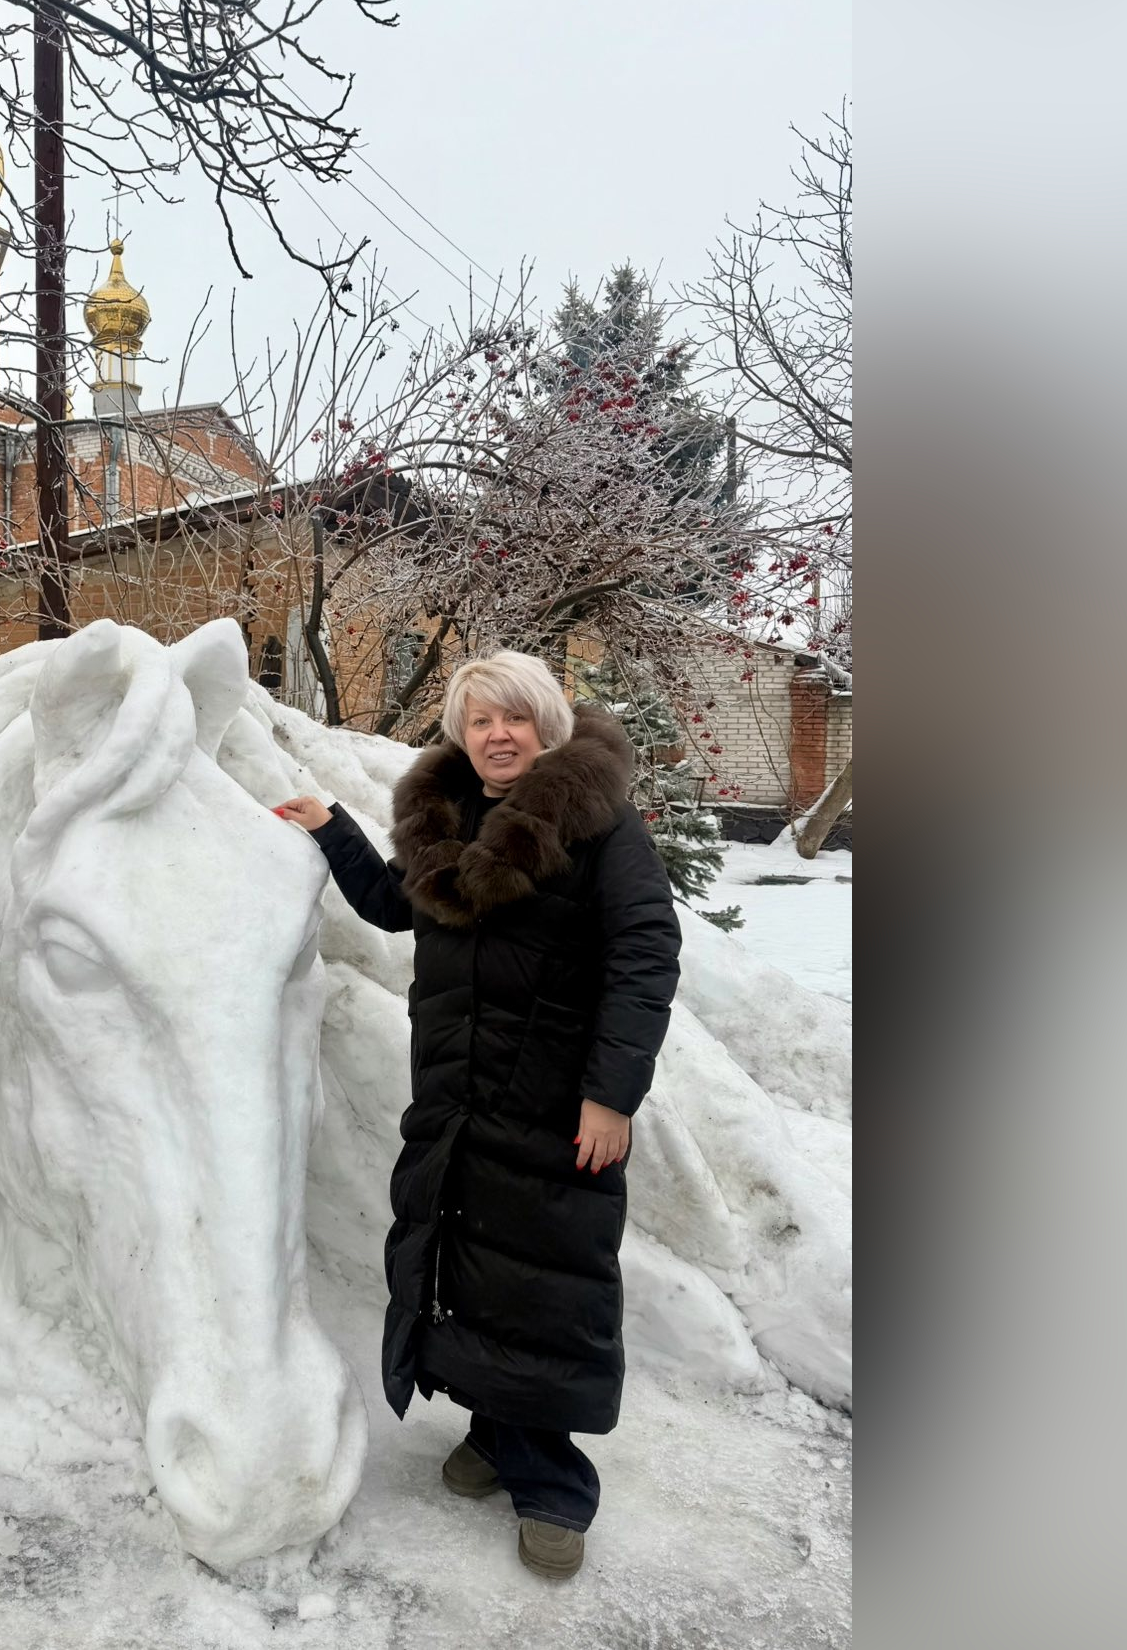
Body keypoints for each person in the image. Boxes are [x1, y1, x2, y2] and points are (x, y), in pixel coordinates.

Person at [274, 650, 680, 1581]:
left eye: (515, 718)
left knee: (544, 1281)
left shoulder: (597, 824)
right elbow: (396, 906)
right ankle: (498, 1432)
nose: (497, 735)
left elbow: (644, 955)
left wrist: (610, 1094)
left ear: (546, 725)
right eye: (480, 720)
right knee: (473, 1266)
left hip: (552, 1101)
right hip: (457, 1092)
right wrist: (333, 827)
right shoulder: (447, 815)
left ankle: (554, 1485)